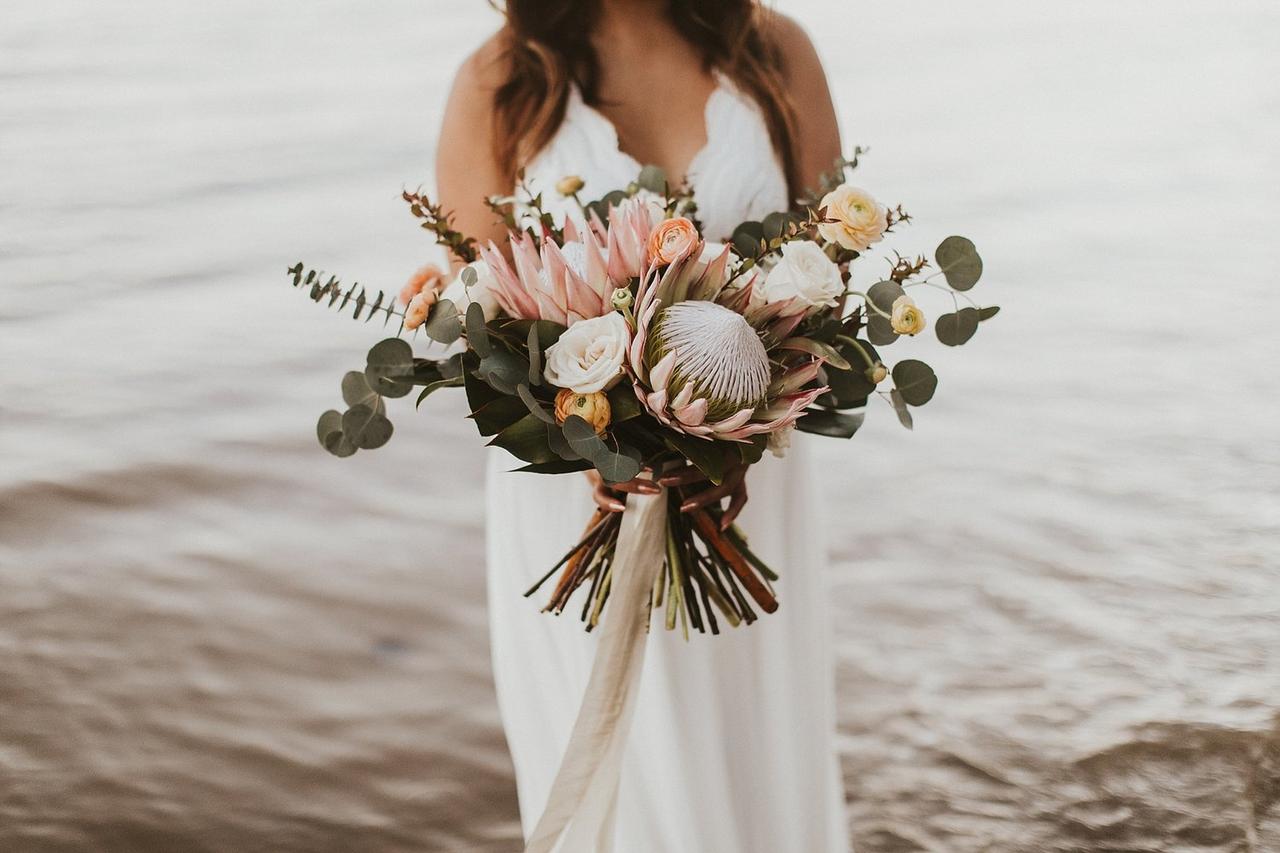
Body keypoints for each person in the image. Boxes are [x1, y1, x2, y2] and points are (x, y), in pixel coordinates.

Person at [436, 2, 849, 850]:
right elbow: (479, 325)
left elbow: (832, 285)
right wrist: (593, 441)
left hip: (751, 484)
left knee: (755, 749)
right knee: (626, 778)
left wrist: (732, 441)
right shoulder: (500, 82)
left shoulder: (774, 54)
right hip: (577, 494)